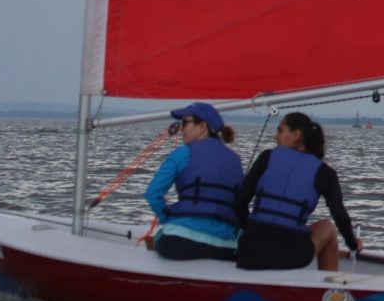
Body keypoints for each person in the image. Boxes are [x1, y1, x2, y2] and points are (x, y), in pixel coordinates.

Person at [235, 111, 361, 272]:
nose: (275, 136)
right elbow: (339, 215)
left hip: (250, 251)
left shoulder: (266, 157)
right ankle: (328, 286)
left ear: (296, 135)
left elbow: (239, 202)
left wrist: (250, 229)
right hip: (290, 256)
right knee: (328, 227)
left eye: (280, 131)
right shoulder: (325, 173)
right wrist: (353, 244)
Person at [143, 102, 245, 261]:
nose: (181, 129)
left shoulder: (183, 153)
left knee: (159, 239)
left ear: (202, 126)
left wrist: (167, 219)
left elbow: (152, 194)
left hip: (181, 243)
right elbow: (240, 205)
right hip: (225, 249)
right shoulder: (236, 160)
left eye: (185, 123)